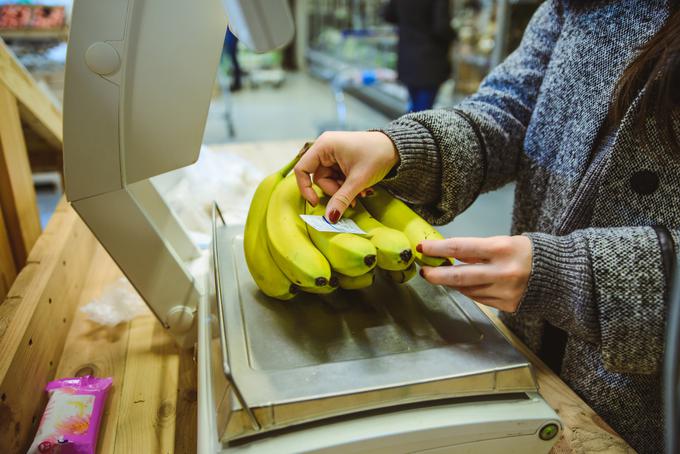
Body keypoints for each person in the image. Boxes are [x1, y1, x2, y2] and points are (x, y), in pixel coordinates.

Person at [293, 1, 680, 452]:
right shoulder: (571, 7)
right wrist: (401, 148)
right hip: (536, 365)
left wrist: (582, 277)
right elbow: (508, 112)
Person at [382, 0, 455, 111]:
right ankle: (409, 126)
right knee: (422, 110)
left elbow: (388, 15)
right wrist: (455, 37)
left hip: (408, 57)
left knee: (414, 104)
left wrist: (408, 24)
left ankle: (407, 126)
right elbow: (442, 27)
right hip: (430, 61)